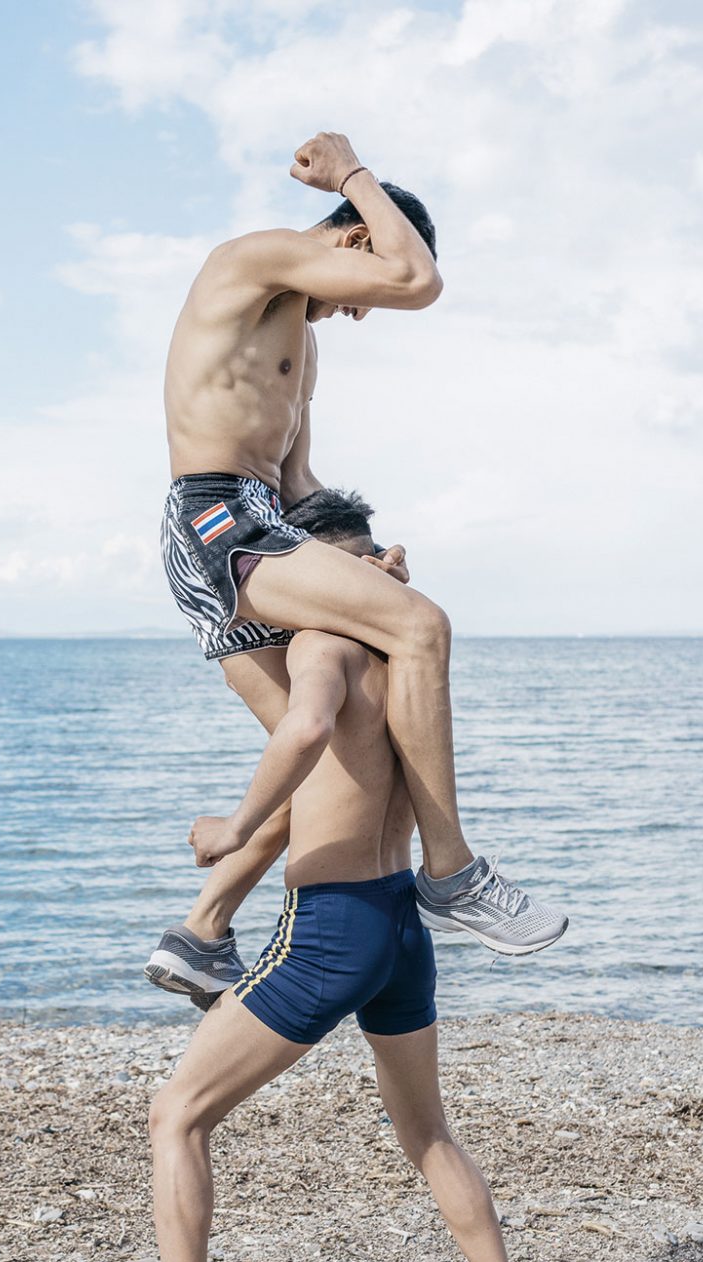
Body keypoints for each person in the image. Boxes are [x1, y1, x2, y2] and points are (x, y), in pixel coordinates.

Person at [86, 492, 551, 1262]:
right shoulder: (396, 660)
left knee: (176, 1113)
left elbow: (301, 729)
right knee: (425, 1129)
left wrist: (235, 824)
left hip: (329, 929)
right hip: (400, 925)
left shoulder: (321, 643)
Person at [151, 130, 567, 1004]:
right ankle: (451, 872)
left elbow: (298, 487)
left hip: (257, 520)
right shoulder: (255, 259)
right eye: (359, 284)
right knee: (422, 627)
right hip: (215, 517)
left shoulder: (301, 345)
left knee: (336, 746)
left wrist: (361, 561)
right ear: (350, 236)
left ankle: (200, 936)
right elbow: (414, 280)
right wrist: (350, 173)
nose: (359, 310)